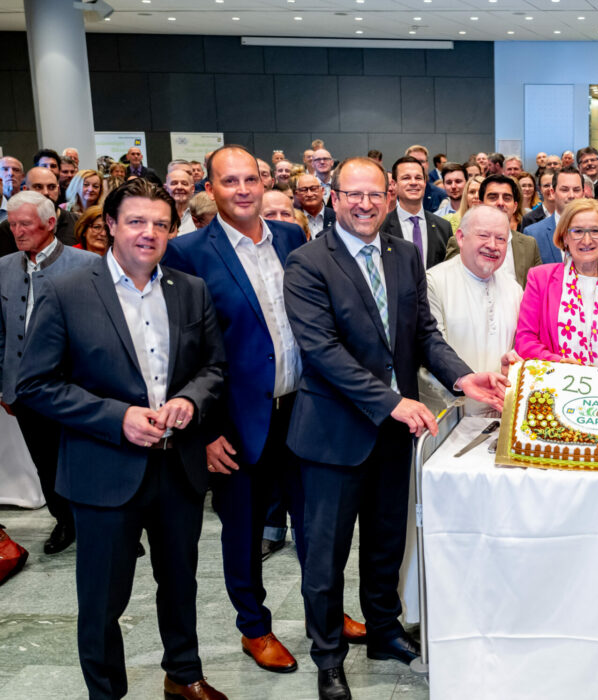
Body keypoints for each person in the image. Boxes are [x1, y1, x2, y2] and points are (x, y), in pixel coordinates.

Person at [283, 156, 507, 700]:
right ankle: (329, 657)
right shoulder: (307, 262)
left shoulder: (404, 255)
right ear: (334, 198)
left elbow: (423, 334)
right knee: (326, 555)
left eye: (373, 195)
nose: (364, 204)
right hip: (333, 435)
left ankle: (383, 631)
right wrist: (392, 402)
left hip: (391, 433)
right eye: (352, 194)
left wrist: (462, 378)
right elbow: (323, 352)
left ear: (388, 199)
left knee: (386, 542)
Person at [16, 178, 227, 700]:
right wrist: (117, 418)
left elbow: (214, 368)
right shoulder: (66, 291)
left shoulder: (189, 289)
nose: (148, 233)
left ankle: (183, 675)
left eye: (160, 223)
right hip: (104, 471)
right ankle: (106, 693)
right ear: (109, 225)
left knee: (180, 584)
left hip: (176, 468)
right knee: (104, 598)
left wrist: (190, 400)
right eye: (135, 221)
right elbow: (35, 385)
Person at [162, 145, 356, 676]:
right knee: (243, 532)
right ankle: (254, 627)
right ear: (212, 187)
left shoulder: (292, 237)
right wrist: (204, 432)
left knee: (317, 524)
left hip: (303, 410)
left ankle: (329, 611)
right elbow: (183, 352)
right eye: (230, 182)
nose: (243, 190)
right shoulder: (187, 252)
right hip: (237, 422)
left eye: (251, 179)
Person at [0, 191, 96, 555]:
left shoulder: (86, 264)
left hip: (73, 387)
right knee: (45, 462)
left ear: (51, 223)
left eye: (25, 224)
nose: (18, 232)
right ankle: (65, 521)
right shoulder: (4, 267)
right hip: (23, 389)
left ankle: (107, 527)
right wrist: (4, 386)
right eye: (12, 225)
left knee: (85, 460)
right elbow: (1, 332)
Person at [515, 198, 598, 369]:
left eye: (595, 231)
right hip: (554, 387)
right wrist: (558, 363)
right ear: (565, 237)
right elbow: (525, 341)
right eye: (578, 231)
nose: (587, 240)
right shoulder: (540, 278)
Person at [427, 206, 525, 415]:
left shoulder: (514, 289)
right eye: (483, 235)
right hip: (451, 417)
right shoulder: (433, 282)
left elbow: (519, 349)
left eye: (500, 239)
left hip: (502, 414)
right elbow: (431, 351)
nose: (492, 245)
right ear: (461, 237)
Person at [443, 174, 543, 287]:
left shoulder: (529, 244)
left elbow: (538, 287)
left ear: (515, 206)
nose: (500, 203)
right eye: (493, 197)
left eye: (507, 198)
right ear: (480, 204)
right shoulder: (462, 241)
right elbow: (450, 284)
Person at [378, 155, 453, 269]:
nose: (413, 182)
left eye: (418, 178)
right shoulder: (381, 227)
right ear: (394, 184)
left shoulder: (443, 227)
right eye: (406, 178)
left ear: (424, 183)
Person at [524, 167, 586, 264]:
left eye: (576, 190)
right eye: (564, 190)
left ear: (583, 193)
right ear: (552, 193)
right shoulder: (533, 234)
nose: (571, 195)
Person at [167, 168, 198, 234]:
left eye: (184, 183)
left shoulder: (200, 214)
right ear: (166, 188)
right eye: (174, 183)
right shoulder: (158, 215)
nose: (179, 187)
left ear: (192, 189)